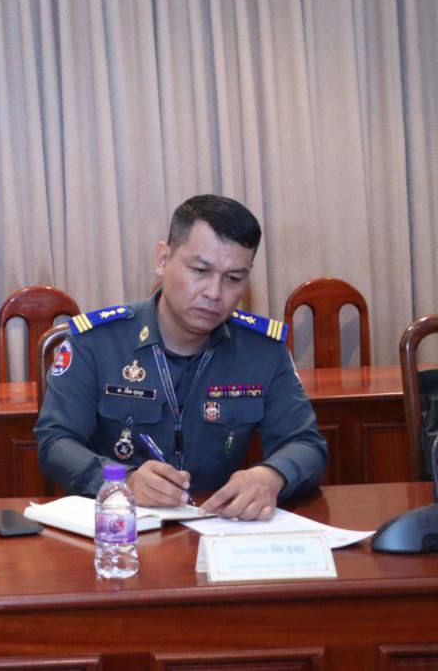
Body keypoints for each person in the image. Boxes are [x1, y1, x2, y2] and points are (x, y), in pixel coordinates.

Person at [34, 195, 327, 521]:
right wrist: (122, 481)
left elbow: (306, 444)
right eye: (200, 270)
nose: (214, 293)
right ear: (163, 259)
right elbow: (55, 442)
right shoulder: (97, 342)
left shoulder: (262, 350)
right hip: (121, 529)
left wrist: (272, 476)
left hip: (220, 525)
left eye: (233, 278)